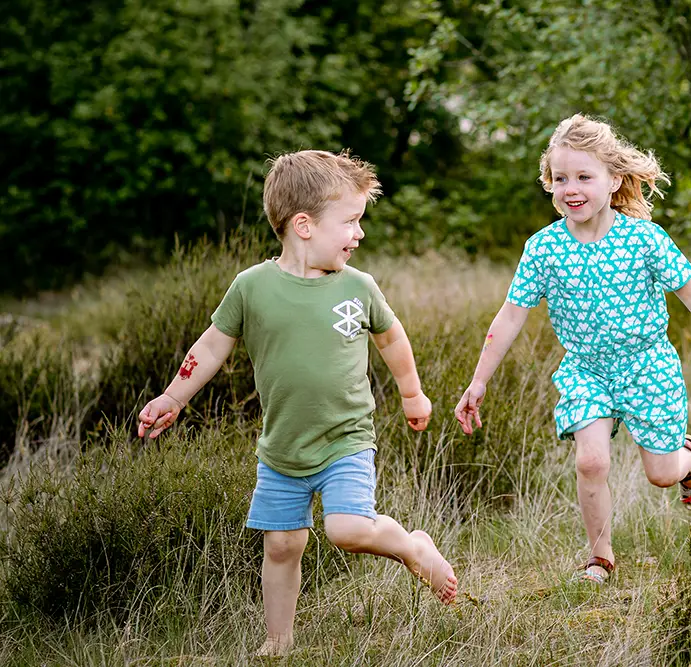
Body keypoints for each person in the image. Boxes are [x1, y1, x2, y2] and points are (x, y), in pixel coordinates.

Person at [137, 150, 458, 656]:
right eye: (350, 221)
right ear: (303, 225)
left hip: (345, 439)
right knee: (282, 545)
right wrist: (174, 396)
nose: (360, 234)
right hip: (282, 447)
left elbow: (392, 338)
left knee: (348, 529)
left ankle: (412, 546)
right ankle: (278, 640)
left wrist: (412, 393)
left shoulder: (358, 287)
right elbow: (212, 345)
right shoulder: (252, 288)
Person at [454, 115, 691, 585]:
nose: (570, 189)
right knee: (591, 461)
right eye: (560, 178)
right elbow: (510, 316)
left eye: (583, 177)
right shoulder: (542, 249)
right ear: (549, 183)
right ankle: (600, 558)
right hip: (586, 369)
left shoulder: (643, 238)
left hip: (647, 365)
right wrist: (478, 382)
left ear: (614, 179)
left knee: (661, 473)